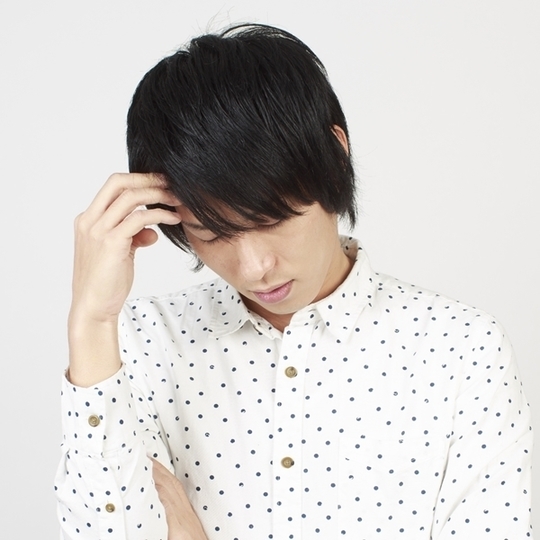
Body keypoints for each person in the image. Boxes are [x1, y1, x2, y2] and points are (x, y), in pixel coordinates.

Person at [55, 24, 533, 539]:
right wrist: (91, 321)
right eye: (212, 234)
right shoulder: (142, 343)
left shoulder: (461, 351)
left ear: (334, 153)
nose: (254, 267)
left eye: (272, 219)